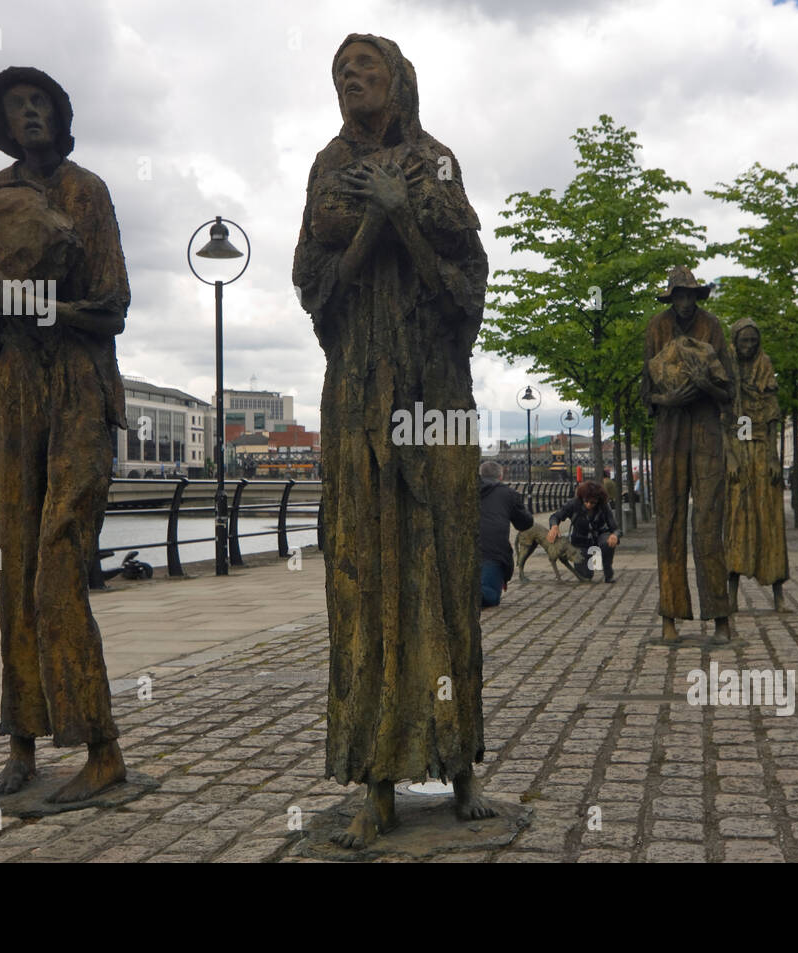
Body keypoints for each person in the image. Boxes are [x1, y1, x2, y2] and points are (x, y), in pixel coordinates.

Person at [292, 34, 494, 849]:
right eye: (341, 72)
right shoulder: (325, 168)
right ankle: (374, 779)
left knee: (444, 567)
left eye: (364, 68)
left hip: (435, 393)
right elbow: (315, 285)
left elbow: (467, 278)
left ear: (398, 81)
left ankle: (460, 762)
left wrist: (401, 214)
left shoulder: (437, 161)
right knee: (362, 570)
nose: (350, 80)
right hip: (357, 398)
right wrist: (374, 222)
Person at [0, 67, 129, 802]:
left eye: (39, 102)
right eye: (14, 106)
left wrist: (52, 306)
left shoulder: (89, 192)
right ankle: (21, 744)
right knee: (17, 561)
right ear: (0, 122)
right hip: (18, 389)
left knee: (56, 564)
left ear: (59, 115)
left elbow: (113, 304)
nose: (28, 113)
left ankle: (102, 748)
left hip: (78, 387)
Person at [641, 266, 736, 642]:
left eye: (689, 295)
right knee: (669, 521)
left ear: (697, 297)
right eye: (678, 296)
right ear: (671, 297)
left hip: (707, 431)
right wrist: (669, 398)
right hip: (669, 433)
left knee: (709, 524)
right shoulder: (656, 328)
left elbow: (729, 391)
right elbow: (646, 390)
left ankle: (720, 617)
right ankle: (670, 615)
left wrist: (704, 387)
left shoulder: (712, 326)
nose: (683, 303)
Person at [725, 317, 789, 612]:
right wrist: (731, 457)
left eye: (753, 340)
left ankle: (778, 593)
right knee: (737, 519)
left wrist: (775, 457)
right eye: (743, 341)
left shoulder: (765, 365)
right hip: (738, 445)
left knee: (770, 519)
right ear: (735, 341)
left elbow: (772, 413)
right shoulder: (727, 366)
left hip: (762, 448)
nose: (748, 346)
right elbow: (722, 418)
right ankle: (731, 594)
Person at [478, 460, 533, 607]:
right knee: (490, 595)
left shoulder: (465, 490)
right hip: (493, 552)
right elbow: (525, 523)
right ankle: (472, 596)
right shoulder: (508, 494)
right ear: (501, 477)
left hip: (463, 549)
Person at [546, 481, 620, 583]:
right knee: (586, 576)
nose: (589, 504)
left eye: (593, 502)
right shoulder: (573, 504)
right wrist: (554, 526)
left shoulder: (604, 506)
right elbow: (555, 516)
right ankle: (590, 561)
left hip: (599, 536)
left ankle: (608, 573)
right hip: (581, 541)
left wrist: (614, 535)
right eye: (586, 501)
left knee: (607, 542)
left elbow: (615, 528)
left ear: (598, 500)